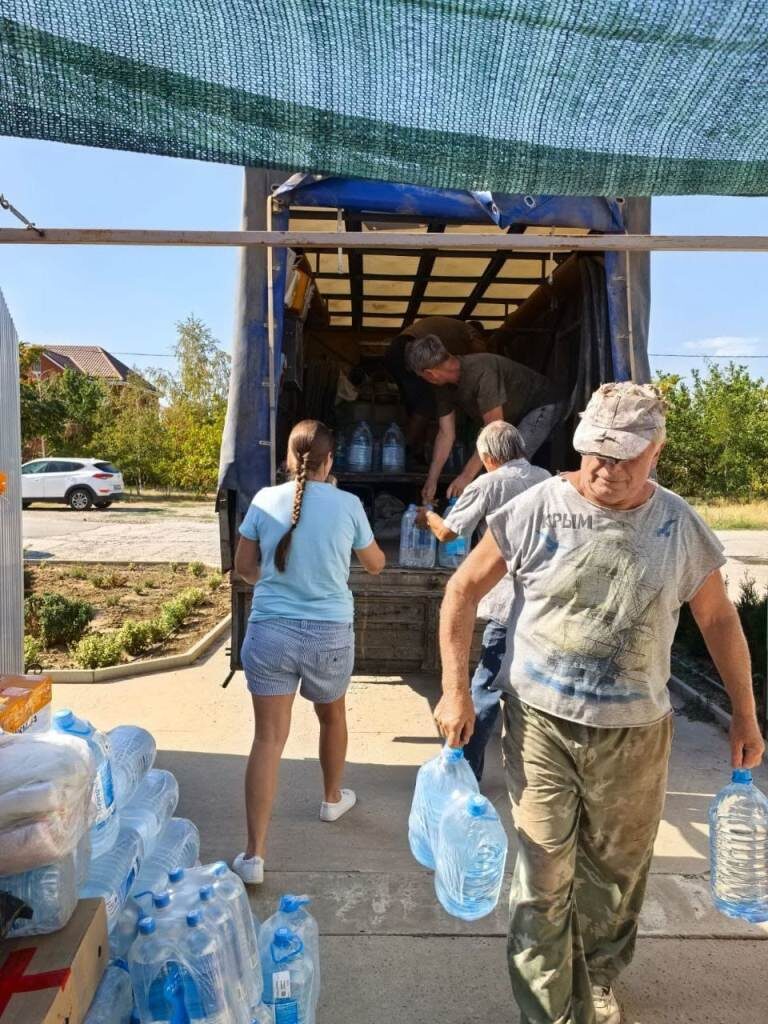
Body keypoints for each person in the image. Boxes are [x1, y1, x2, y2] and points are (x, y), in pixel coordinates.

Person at [433, 382, 765, 1024]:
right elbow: (460, 592)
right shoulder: (536, 509)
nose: (604, 468)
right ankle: (551, 1010)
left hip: (636, 733)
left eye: (623, 456)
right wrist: (454, 692)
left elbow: (720, 620)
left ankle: (600, 975)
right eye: (593, 452)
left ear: (656, 452)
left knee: (614, 876)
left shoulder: (678, 525)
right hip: (541, 726)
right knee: (542, 880)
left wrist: (745, 715)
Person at [232, 420, 386, 884]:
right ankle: (332, 799)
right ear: (331, 461)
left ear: (287, 458)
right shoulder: (349, 505)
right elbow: (376, 565)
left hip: (269, 632)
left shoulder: (263, 500)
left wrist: (280, 586)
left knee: (268, 740)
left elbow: (243, 568)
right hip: (329, 635)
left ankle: (254, 855)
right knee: (332, 717)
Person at [420, 420, 550, 780]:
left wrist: (427, 515)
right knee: (536, 689)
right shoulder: (548, 479)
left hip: (508, 600)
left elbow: (448, 533)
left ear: (488, 457)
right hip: (545, 602)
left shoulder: (489, 483)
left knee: (484, 691)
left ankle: (464, 774)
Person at [406, 335, 562, 502]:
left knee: (509, 468)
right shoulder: (442, 387)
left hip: (541, 406)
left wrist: (466, 477)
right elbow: (446, 433)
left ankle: (522, 518)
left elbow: (494, 430)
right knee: (491, 469)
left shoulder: (482, 370)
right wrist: (432, 480)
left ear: (429, 374)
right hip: (509, 420)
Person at [382, 316, 486, 449]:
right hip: (411, 351)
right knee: (427, 402)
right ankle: (404, 449)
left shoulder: (452, 328)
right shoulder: (472, 332)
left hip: (397, 349)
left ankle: (414, 448)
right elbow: (481, 359)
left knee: (415, 404)